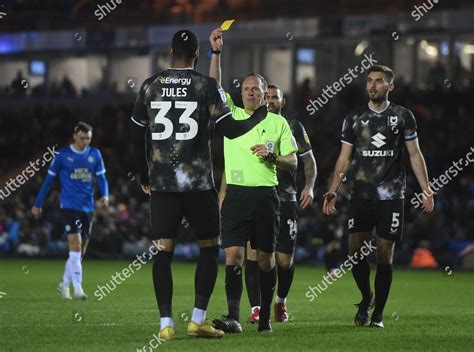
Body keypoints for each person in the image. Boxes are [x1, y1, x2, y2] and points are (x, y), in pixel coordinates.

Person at [129, 29, 268, 340]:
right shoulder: (206, 85)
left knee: (162, 251)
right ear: (196, 55)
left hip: (163, 184)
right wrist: (258, 117)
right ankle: (197, 319)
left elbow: (135, 135)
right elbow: (230, 129)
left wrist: (142, 173)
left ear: (169, 51)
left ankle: (166, 323)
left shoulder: (150, 86)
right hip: (197, 185)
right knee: (208, 248)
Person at [323, 65, 435, 328]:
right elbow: (344, 158)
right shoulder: (353, 117)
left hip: (392, 196)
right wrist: (333, 189)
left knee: (385, 256)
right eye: (369, 81)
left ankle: (378, 314)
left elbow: (415, 154)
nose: (373, 86)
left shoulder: (402, 116)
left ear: (390, 86)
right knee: (355, 254)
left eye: (379, 81)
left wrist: (426, 188)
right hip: (361, 195)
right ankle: (366, 297)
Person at [208, 28, 298, 333]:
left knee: (265, 260)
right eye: (246, 88)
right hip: (235, 196)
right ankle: (234, 317)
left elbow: (293, 161)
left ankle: (264, 318)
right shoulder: (230, 115)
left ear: (264, 94)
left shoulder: (278, 122)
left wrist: (274, 158)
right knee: (232, 256)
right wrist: (216, 53)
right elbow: (213, 85)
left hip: (265, 197)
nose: (250, 92)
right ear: (241, 92)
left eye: (255, 89)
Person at [241, 84, 317, 324]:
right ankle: (256, 308)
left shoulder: (292, 127)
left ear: (283, 102)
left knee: (284, 260)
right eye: (268, 96)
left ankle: (280, 301)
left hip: (285, 198)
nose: (271, 100)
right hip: (258, 196)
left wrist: (310, 186)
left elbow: (308, 160)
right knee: (253, 255)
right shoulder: (252, 122)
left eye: (276, 97)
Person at [32, 122, 109, 300]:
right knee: (76, 246)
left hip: (87, 207)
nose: (85, 142)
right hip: (68, 206)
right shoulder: (62, 155)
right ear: (75, 136)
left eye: (88, 138)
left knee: (80, 253)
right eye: (82, 138)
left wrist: (105, 195)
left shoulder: (95, 154)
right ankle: (78, 289)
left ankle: (64, 285)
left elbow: (102, 177)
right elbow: (48, 181)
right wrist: (38, 203)